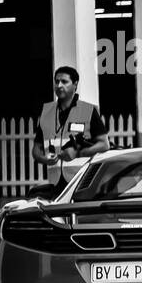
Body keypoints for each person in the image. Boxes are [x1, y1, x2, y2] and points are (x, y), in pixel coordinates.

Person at [32, 66, 110, 197]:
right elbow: (36, 149)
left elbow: (104, 144)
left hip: (83, 181)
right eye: (56, 81)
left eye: (64, 81)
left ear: (75, 85)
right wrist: (44, 159)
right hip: (55, 184)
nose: (59, 85)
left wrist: (78, 153)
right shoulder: (46, 112)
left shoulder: (88, 110)